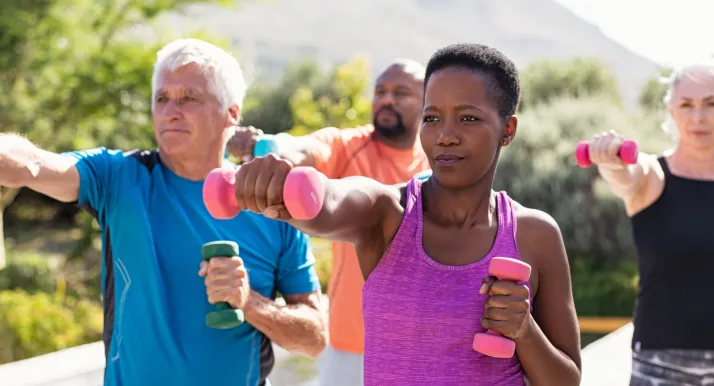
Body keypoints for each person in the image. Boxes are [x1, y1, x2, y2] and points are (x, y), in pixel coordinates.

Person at [229, 43, 582, 386]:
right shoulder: (388, 214)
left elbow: (567, 379)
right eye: (432, 118)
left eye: (468, 118)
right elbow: (331, 201)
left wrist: (524, 330)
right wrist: (285, 189)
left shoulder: (534, 235)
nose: (445, 136)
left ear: (508, 130)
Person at [0, 38, 327, 386]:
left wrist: (249, 303)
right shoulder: (118, 177)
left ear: (231, 114)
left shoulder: (270, 205)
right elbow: (31, 164)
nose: (171, 110)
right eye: (162, 99)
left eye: (188, 98)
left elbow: (314, 338)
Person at [227, 59, 431, 385]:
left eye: (401, 92)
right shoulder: (346, 146)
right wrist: (265, 147)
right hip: (352, 347)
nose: (387, 99)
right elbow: (301, 148)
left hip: (423, 350)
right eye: (380, 92)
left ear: (427, 102)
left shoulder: (437, 162)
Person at [586, 61, 714, 386]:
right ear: (672, 111)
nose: (698, 117)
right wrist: (611, 162)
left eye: (711, 103)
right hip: (662, 365)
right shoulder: (654, 176)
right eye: (687, 105)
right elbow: (627, 175)